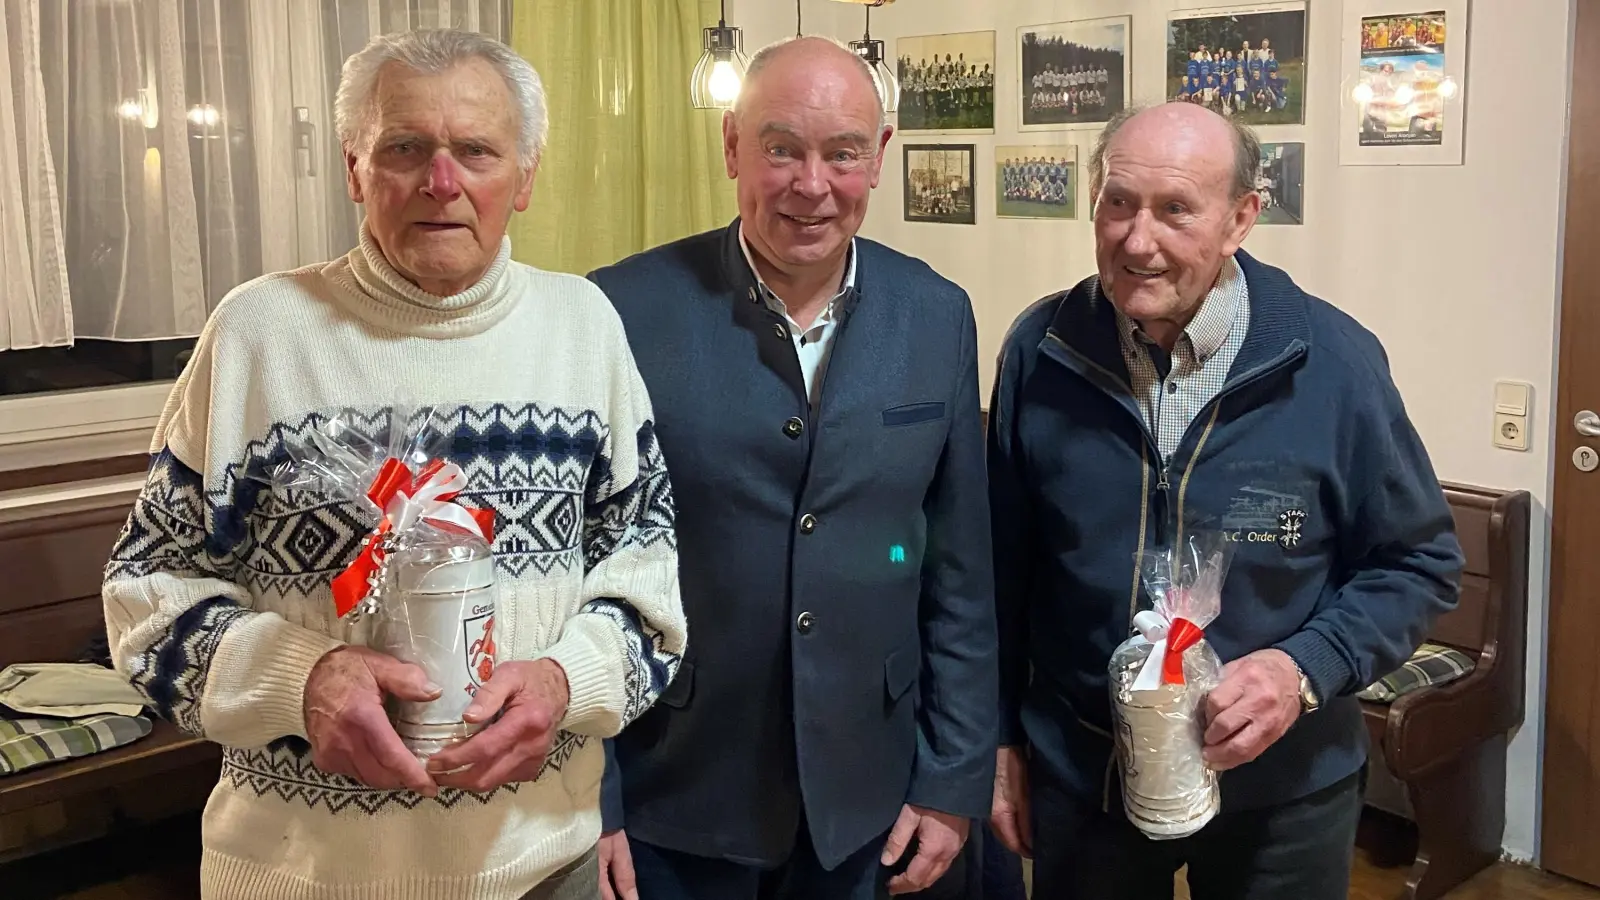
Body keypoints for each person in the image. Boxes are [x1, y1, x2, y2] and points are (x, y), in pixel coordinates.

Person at [100, 28, 687, 900]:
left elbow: (649, 576)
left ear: (524, 178)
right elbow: (146, 594)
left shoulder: (583, 329)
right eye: (405, 148)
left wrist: (569, 681)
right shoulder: (263, 333)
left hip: (543, 868)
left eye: (476, 151)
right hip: (303, 875)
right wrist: (301, 683)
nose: (440, 182)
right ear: (354, 169)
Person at [985, 102, 1462, 899]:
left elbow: (1418, 563)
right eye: (1117, 203)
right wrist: (998, 740)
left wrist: (1301, 667)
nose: (1139, 241)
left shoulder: (1333, 364)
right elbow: (996, 572)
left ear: (1241, 218)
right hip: (1084, 777)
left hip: (1283, 791)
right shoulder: (1041, 351)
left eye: (1175, 210)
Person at [587, 35, 996, 900]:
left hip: (871, 797)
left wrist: (954, 777)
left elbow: (960, 572)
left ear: (878, 157)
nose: (813, 185)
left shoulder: (937, 315)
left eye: (842, 153)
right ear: (733, 148)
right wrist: (595, 794)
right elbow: (578, 568)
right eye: (782, 149)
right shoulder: (619, 309)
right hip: (677, 792)